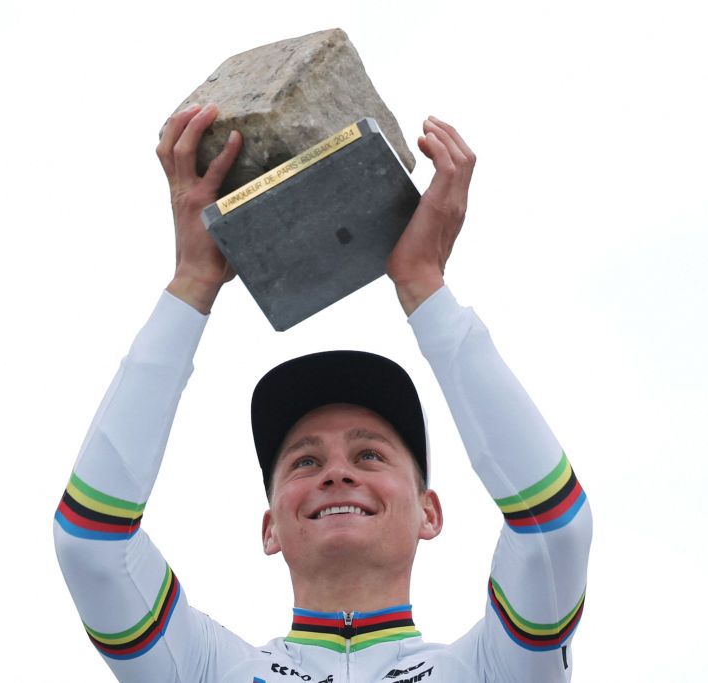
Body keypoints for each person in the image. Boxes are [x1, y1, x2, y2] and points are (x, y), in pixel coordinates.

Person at [54, 102, 593, 682]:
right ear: (270, 528)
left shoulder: (494, 669)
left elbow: (553, 531)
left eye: (369, 455)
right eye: (305, 461)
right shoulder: (206, 669)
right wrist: (192, 282)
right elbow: (92, 544)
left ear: (429, 513)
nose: (336, 474)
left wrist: (425, 288)